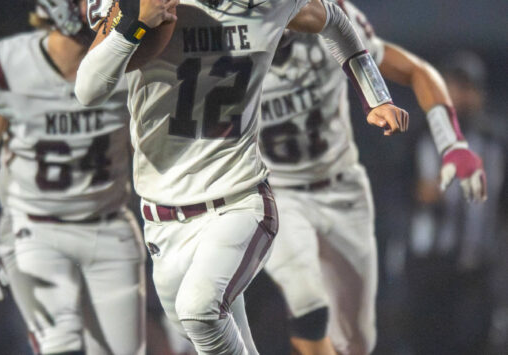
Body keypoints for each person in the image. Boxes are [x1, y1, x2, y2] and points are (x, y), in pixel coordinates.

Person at [76, 0, 408, 353]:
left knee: (200, 311)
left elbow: (336, 21)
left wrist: (376, 97)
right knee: (204, 330)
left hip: (238, 200)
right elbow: (88, 90)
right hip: (162, 217)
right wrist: (137, 23)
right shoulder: (153, 4)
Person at [258, 1, 487, 354]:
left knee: (356, 340)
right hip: (280, 193)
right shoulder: (225, 35)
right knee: (307, 298)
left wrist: (451, 141)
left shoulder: (330, 20)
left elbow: (415, 71)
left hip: (340, 189)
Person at [0, 1, 145, 354]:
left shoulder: (131, 62)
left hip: (109, 224)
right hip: (34, 229)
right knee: (61, 346)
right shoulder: (8, 66)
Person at [406, 51, 504, 355]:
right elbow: (394, 189)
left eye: (465, 89)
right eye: (451, 88)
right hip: (428, 265)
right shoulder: (419, 137)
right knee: (428, 341)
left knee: (476, 341)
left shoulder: (495, 143)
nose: (458, 97)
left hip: (477, 265)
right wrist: (417, 193)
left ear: (480, 95)